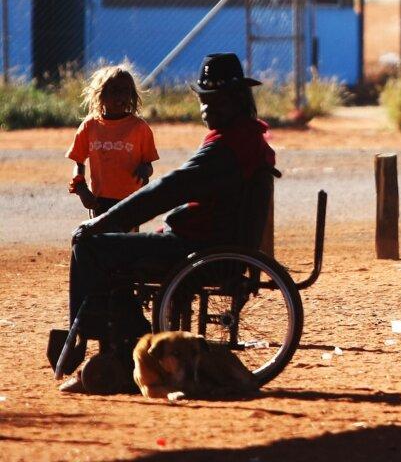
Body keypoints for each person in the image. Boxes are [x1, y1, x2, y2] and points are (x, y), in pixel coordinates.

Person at [60, 53, 276, 394]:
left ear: (235, 101)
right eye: (203, 102)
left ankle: (97, 349)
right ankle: (131, 343)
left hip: (197, 247)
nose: (205, 110)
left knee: (88, 245)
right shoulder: (248, 139)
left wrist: (102, 221)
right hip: (210, 242)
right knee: (116, 249)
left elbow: (165, 190)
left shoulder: (227, 148)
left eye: (212, 102)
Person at [67, 66, 159, 216]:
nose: (121, 96)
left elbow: (148, 165)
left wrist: (145, 171)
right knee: (101, 238)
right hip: (99, 199)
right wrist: (81, 188)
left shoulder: (140, 128)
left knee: (127, 239)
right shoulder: (90, 126)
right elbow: (79, 161)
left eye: (125, 90)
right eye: (114, 90)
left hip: (130, 199)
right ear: (101, 94)